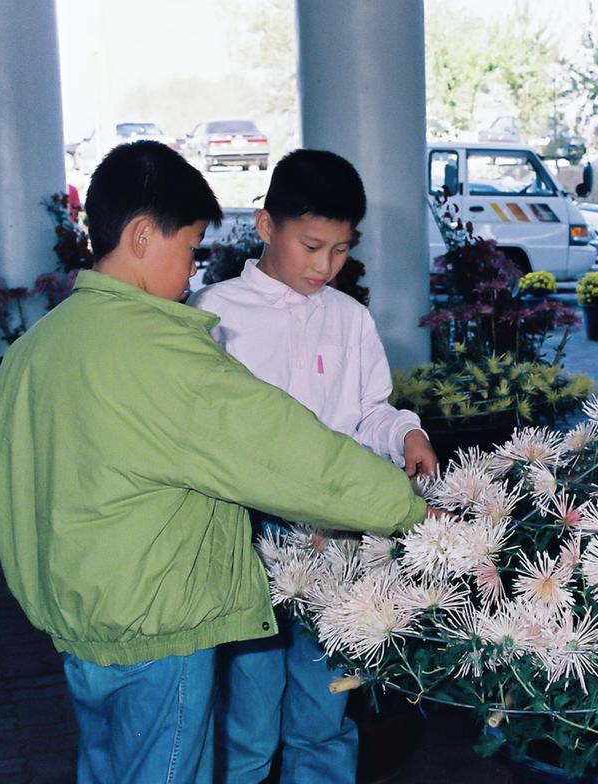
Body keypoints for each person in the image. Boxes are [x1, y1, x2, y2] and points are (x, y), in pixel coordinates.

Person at [0, 140, 430, 784]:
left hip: (80, 622)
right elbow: (278, 450)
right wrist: (413, 514)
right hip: (159, 622)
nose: (195, 271)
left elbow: (14, 485)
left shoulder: (38, 344)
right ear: (143, 237)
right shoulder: (166, 346)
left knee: (111, 763)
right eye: (191, 249)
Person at [190, 148, 438, 784]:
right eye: (311, 245)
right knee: (247, 717)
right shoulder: (215, 313)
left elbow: (369, 413)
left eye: (340, 250)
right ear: (266, 225)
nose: (326, 266)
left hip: (334, 540)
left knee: (324, 713)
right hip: (252, 541)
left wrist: (406, 433)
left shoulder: (349, 319)